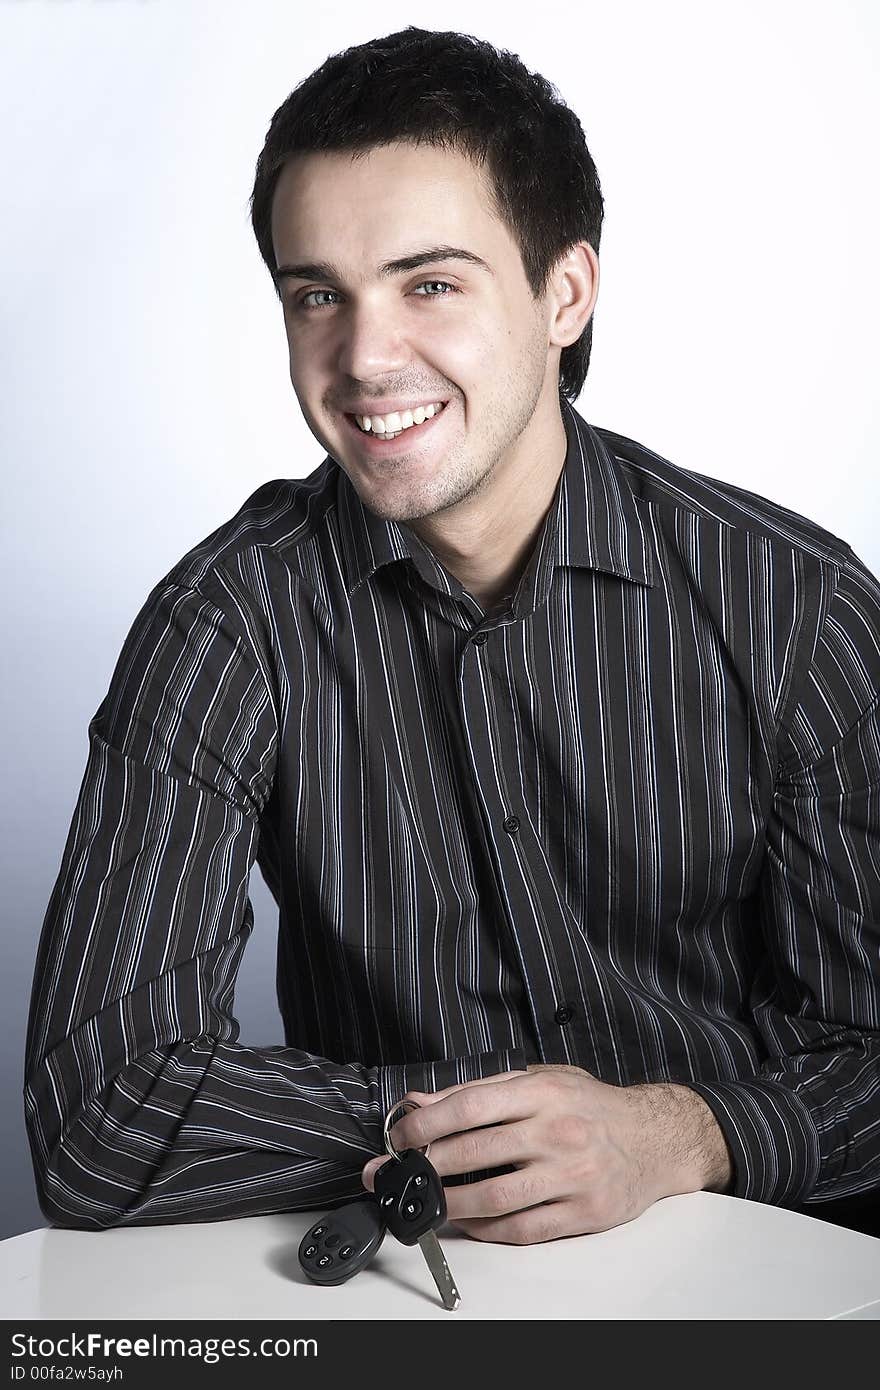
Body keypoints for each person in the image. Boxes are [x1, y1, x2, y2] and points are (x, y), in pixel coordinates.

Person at [24, 26, 880, 1243]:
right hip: (408, 1289)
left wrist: (682, 1131)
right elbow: (99, 1112)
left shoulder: (798, 607)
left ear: (564, 293)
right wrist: (475, 1131)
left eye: (430, 283)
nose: (364, 359)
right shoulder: (225, 623)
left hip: (761, 1270)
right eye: (318, 294)